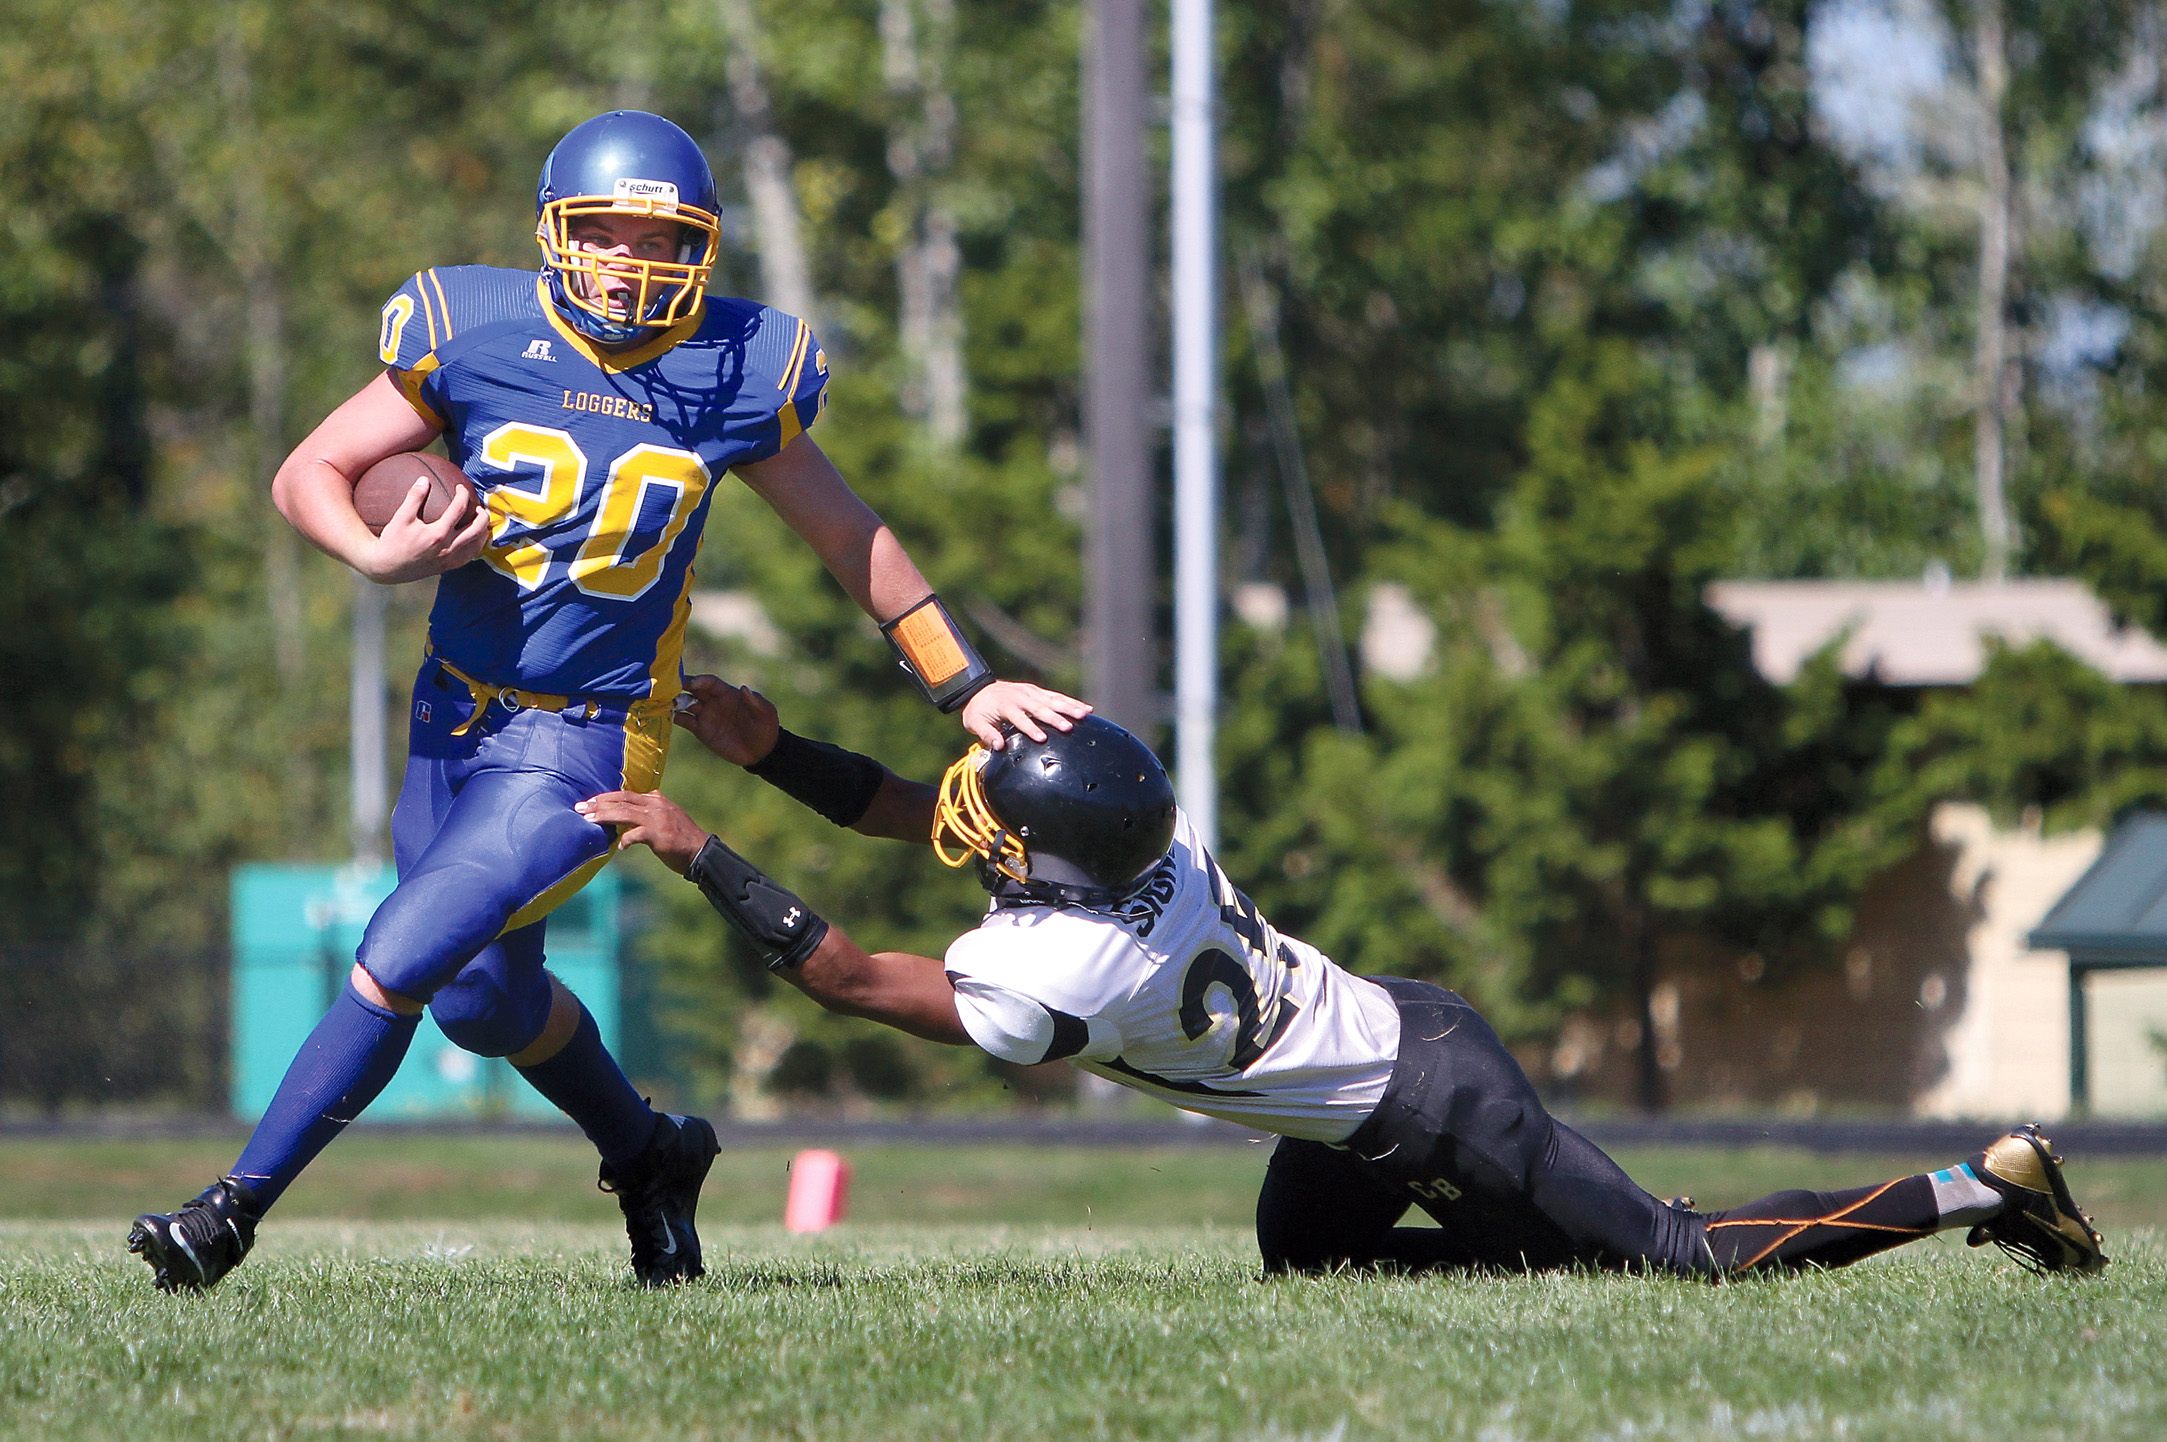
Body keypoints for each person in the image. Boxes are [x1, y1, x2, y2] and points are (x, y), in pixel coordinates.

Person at [128, 112, 1085, 1294]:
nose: (629, 261)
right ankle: (649, 1151)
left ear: (703, 246)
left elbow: (851, 539)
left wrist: (967, 684)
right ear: (553, 232)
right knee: (482, 997)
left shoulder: (736, 369)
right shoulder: (472, 329)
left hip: (589, 731)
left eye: (658, 238)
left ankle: (226, 1216)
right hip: (454, 709)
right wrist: (376, 560)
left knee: (403, 951)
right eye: (605, 233)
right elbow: (307, 471)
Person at [576, 676, 2109, 1279]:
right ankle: (1539, 1265)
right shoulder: (1134, 851)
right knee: (1307, 1271)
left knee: (1674, 1255)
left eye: (997, 833)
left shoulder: (1057, 967)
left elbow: (844, 975)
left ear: (1055, 863)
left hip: (1431, 1107)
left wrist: (698, 840)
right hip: (1381, 1057)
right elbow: (928, 815)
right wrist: (773, 753)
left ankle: (1977, 1184)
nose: (967, 831)